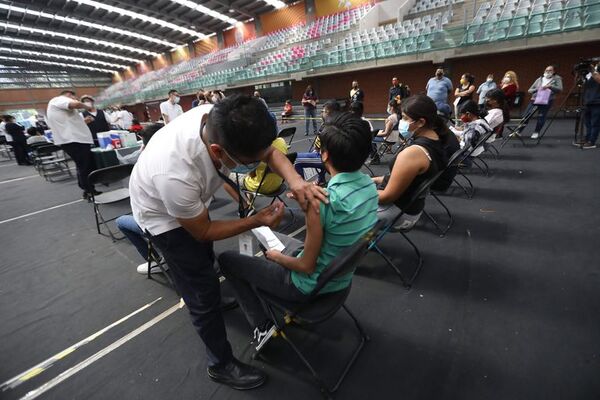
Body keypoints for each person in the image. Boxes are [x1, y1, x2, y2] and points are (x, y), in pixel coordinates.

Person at [128, 95, 326, 390]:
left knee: (205, 262)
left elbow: (270, 153)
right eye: (249, 162)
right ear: (218, 151)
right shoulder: (174, 173)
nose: (257, 163)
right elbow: (203, 231)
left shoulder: (222, 118)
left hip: (192, 201)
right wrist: (257, 220)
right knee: (200, 290)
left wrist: (296, 181)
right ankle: (219, 364)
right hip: (164, 220)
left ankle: (213, 294)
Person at [218, 111, 377, 351]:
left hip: (306, 286)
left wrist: (277, 258)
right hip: (339, 280)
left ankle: (262, 326)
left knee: (228, 260)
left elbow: (305, 266)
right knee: (271, 238)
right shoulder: (369, 187)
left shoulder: (320, 204)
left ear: (324, 155)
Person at [373, 95, 449, 230]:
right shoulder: (437, 139)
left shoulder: (413, 153)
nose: (401, 121)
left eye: (405, 118)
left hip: (394, 212)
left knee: (337, 207)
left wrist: (358, 190)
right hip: (411, 208)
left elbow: (386, 197)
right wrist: (375, 180)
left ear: (420, 122)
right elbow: (407, 179)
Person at [46, 89, 98, 199]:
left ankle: (87, 188)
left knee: (83, 165)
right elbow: (75, 104)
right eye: (75, 97)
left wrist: (85, 122)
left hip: (77, 139)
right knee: (84, 166)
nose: (76, 99)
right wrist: (87, 105)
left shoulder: (60, 107)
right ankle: (89, 190)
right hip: (74, 140)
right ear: (69, 95)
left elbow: (70, 123)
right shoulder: (59, 100)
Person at [294, 100, 341, 184]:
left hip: (328, 160)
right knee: (315, 153)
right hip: (336, 158)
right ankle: (321, 179)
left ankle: (303, 188)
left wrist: (316, 150)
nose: (321, 113)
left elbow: (318, 147)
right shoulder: (338, 123)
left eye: (323, 111)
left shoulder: (328, 127)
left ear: (328, 112)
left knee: (296, 160)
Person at [521, 65, 563, 139]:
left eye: (550, 70)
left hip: (547, 100)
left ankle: (536, 132)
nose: (547, 72)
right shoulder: (540, 79)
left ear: (553, 72)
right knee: (526, 115)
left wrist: (550, 86)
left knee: (541, 116)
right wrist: (537, 89)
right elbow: (529, 90)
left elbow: (559, 89)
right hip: (535, 99)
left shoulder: (557, 79)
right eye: (546, 70)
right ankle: (519, 131)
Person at [369, 99, 402, 165]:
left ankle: (375, 158)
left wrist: (375, 134)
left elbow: (386, 133)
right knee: (376, 132)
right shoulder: (398, 116)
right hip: (394, 138)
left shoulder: (391, 118)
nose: (388, 108)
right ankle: (375, 156)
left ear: (392, 107)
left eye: (388, 106)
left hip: (388, 139)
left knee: (369, 138)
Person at [582, 60, 600, 149]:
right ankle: (587, 138)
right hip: (588, 101)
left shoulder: (595, 73)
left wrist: (593, 71)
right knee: (587, 122)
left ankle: (592, 141)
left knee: (595, 123)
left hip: (597, 102)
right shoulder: (590, 74)